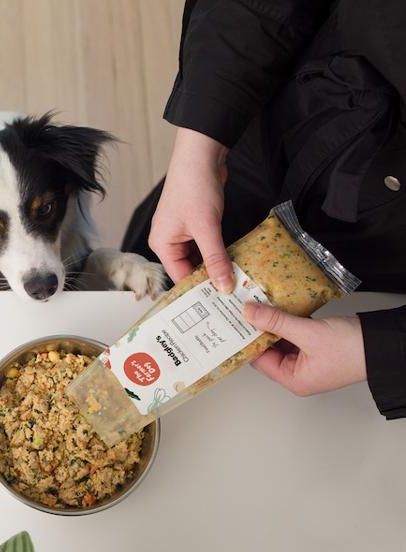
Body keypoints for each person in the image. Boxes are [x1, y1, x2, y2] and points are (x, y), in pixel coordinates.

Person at [122, 0, 405, 419]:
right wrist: (199, 145)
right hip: (268, 136)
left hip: (383, 277)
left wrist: (384, 350)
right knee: (145, 277)